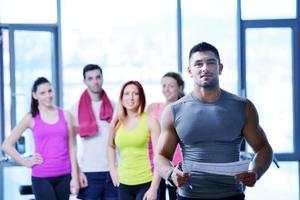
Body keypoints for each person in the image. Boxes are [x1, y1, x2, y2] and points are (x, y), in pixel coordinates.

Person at [155, 42, 273, 200]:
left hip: (232, 195)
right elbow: (161, 156)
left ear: (220, 68)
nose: (205, 68)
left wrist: (255, 173)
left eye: (211, 62)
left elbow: (263, 148)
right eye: (198, 64)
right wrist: (171, 174)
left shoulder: (243, 107)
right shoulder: (174, 111)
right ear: (190, 71)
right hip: (189, 196)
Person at [2, 77, 79, 200]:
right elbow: (6, 145)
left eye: (49, 91)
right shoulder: (31, 118)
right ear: (35, 95)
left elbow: (71, 146)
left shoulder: (66, 115)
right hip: (42, 177)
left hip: (64, 175)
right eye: (42, 93)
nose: (48, 95)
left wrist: (75, 176)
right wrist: (27, 163)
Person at [69, 64, 119, 200]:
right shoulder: (74, 109)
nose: (95, 81)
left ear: (102, 78)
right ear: (84, 81)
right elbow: (71, 145)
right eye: (90, 78)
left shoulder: (116, 107)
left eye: (98, 77)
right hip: (89, 172)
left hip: (113, 170)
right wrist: (77, 171)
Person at [107, 80, 161, 200]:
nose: (130, 98)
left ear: (141, 97)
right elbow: (110, 146)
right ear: (121, 97)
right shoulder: (117, 122)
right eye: (126, 94)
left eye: (135, 94)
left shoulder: (151, 122)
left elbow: (159, 157)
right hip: (124, 183)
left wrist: (154, 188)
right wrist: (112, 169)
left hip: (146, 182)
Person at [147, 72, 185, 200]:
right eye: (164, 86)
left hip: (177, 164)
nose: (166, 89)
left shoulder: (184, 108)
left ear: (180, 87)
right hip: (156, 163)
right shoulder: (152, 108)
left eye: (171, 86)